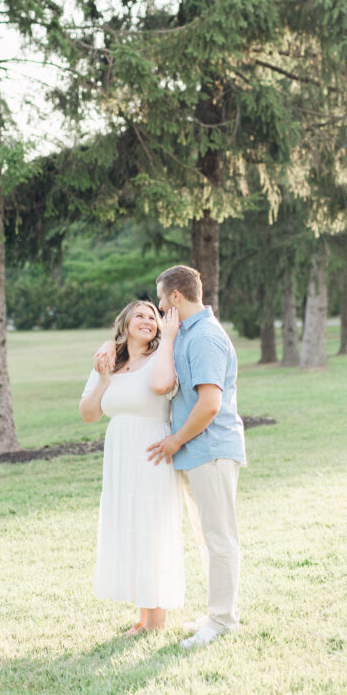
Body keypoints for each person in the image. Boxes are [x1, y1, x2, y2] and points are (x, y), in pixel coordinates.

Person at [96, 265, 246, 648]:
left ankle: (223, 620)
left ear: (175, 297)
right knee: (205, 535)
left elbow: (210, 404)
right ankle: (216, 612)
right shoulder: (187, 334)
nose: (161, 308)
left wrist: (175, 440)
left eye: (161, 300)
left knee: (219, 536)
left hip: (209, 448)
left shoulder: (205, 337)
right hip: (197, 451)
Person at [80, 300, 184, 636]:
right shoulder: (108, 363)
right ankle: (144, 616)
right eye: (139, 315)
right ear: (124, 324)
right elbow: (89, 414)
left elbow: (164, 387)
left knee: (151, 529)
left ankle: (157, 621)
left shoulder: (162, 356)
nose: (147, 320)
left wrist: (167, 340)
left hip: (152, 449)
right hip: (120, 454)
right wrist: (103, 378)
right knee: (132, 529)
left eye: (152, 316)